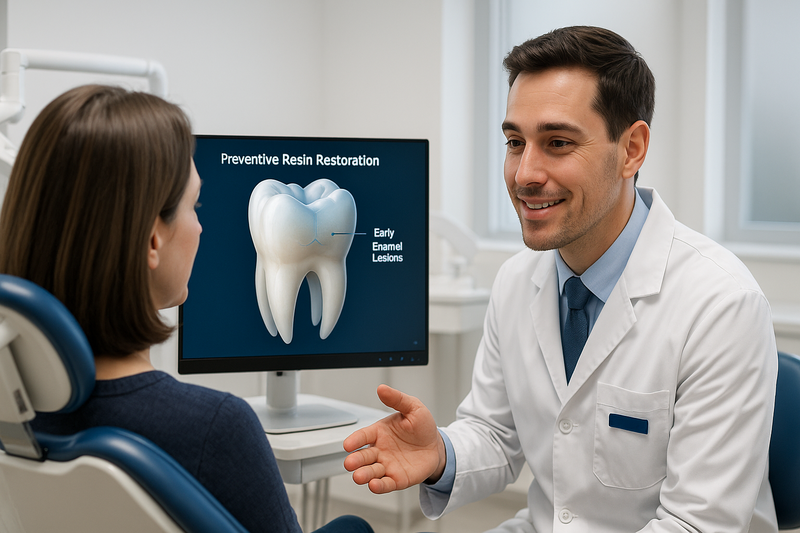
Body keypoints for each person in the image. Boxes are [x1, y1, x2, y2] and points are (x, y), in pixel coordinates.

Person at [344, 26, 778, 533]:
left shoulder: (721, 304)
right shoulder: (515, 281)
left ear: (632, 149)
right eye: (514, 142)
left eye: (557, 142)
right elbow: (494, 433)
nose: (525, 173)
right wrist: (441, 454)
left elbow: (696, 525)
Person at [0, 84, 372, 533]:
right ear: (152, 239)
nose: (200, 226)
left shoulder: (14, 407)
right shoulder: (216, 429)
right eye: (194, 205)